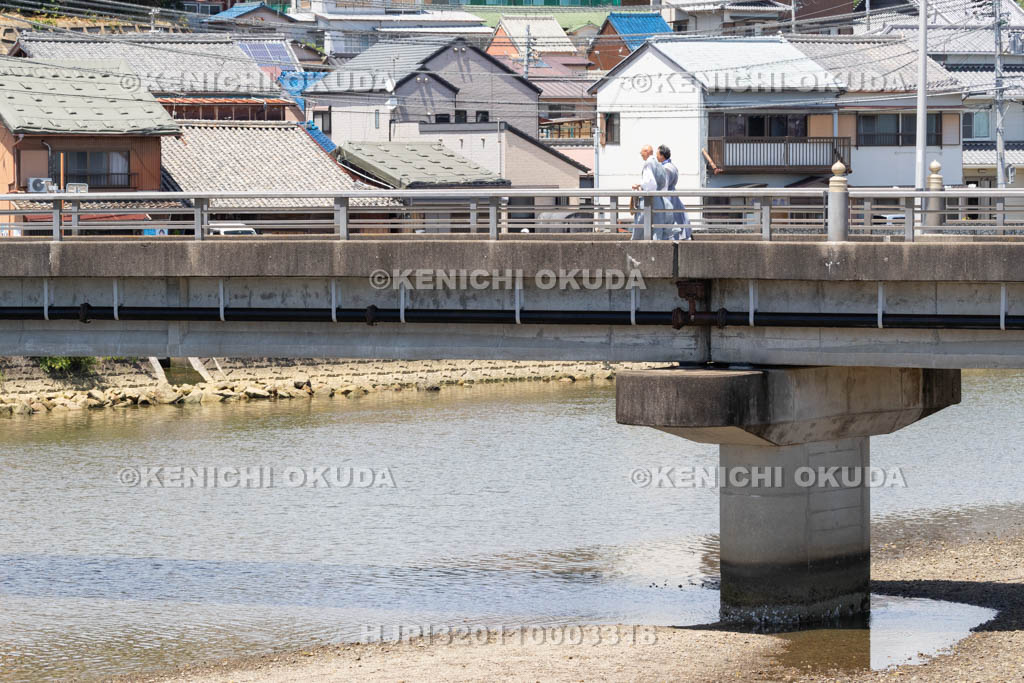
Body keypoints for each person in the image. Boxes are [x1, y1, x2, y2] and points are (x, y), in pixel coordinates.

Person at [631, 145, 670, 240]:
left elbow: (650, 183)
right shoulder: (659, 164)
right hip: (659, 198)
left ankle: (635, 243)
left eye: (642, 152)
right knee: (658, 224)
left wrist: (639, 185)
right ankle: (657, 244)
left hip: (648, 198)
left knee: (641, 222)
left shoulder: (648, 163)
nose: (641, 154)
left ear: (647, 152)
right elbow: (663, 182)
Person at [657, 144, 691, 240]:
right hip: (673, 194)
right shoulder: (672, 166)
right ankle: (679, 236)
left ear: (662, 155)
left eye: (657, 154)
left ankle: (673, 238)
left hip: (668, 195)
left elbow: (664, 185)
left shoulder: (666, 168)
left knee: (670, 217)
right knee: (678, 216)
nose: (656, 157)